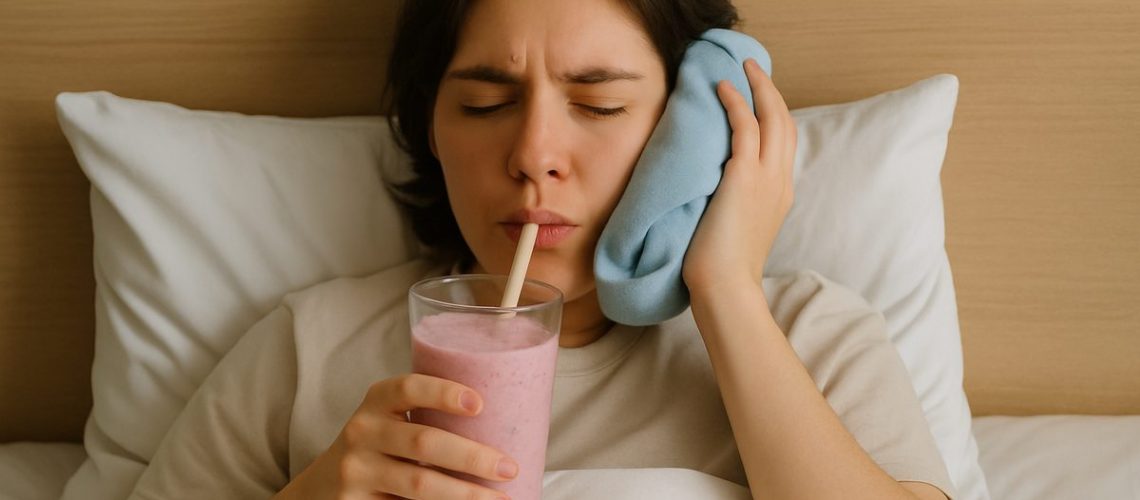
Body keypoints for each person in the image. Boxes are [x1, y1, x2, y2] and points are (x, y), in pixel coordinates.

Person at [127, 0, 957, 499]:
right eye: (487, 103)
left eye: (598, 106)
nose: (534, 153)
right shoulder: (306, 349)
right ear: (432, 131)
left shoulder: (810, 336)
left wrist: (726, 288)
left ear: (686, 132)